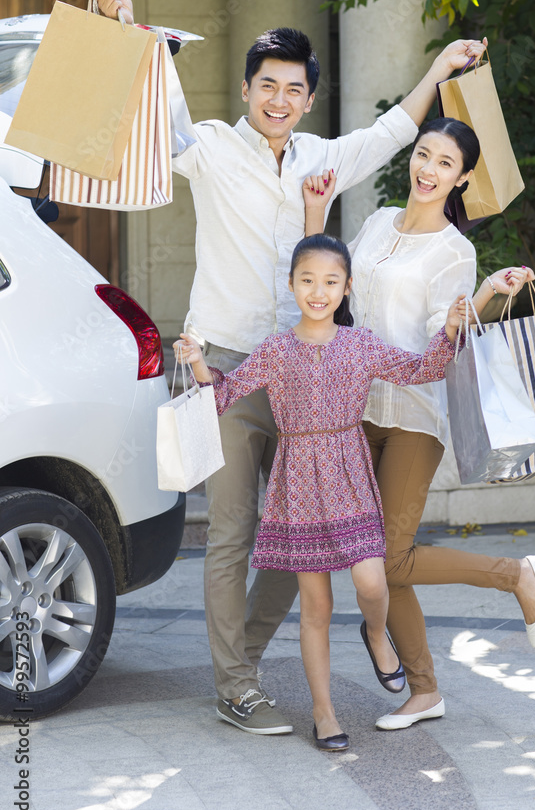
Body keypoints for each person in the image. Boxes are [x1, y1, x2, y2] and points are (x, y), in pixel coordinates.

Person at [91, 0, 488, 734]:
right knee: (234, 529)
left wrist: (438, 70)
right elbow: (156, 116)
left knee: (294, 541)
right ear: (246, 90)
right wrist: (120, 27)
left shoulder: (322, 157)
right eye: (266, 84)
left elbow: (394, 131)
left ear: (307, 99)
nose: (278, 98)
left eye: (293, 88)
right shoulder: (208, 147)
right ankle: (237, 685)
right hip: (231, 362)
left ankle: (234, 661)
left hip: (313, 370)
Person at [304, 116, 535, 731]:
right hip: (355, 410)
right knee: (380, 552)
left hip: (413, 414)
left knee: (389, 558)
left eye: (445, 163)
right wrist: (314, 215)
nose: (429, 169)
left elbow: (449, 326)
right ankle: (424, 690)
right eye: (424, 155)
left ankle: (516, 574)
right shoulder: (375, 222)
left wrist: (486, 296)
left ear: (462, 178)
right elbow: (330, 284)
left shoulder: (455, 250)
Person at [174, 233, 467, 749]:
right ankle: (324, 711)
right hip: (299, 485)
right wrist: (197, 360)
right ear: (291, 285)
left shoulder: (360, 344)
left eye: (331, 281)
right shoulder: (276, 351)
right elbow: (223, 396)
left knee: (372, 583)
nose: (318, 290)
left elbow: (424, 369)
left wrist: (449, 328)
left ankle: (377, 635)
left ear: (347, 288)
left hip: (350, 476)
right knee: (316, 607)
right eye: (307, 280)